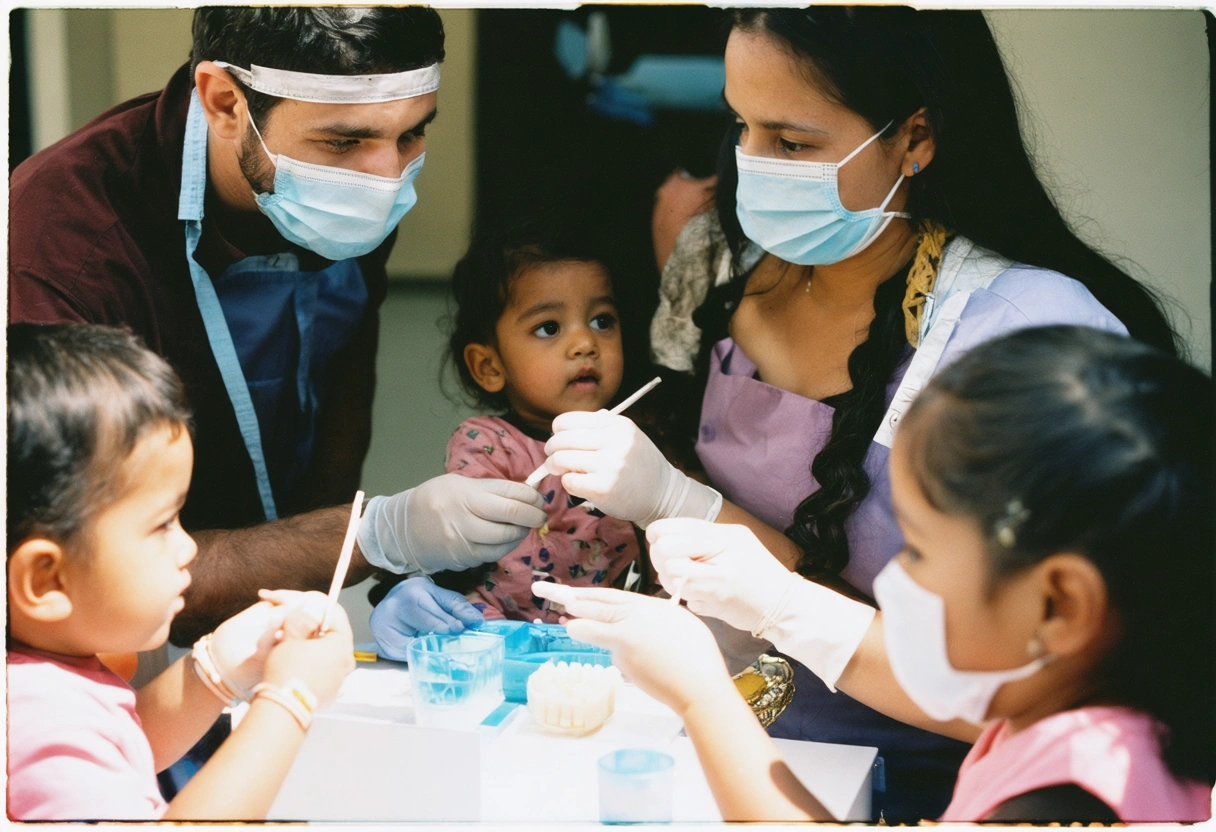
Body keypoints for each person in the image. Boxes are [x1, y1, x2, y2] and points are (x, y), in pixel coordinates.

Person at [537, 7, 1178, 819]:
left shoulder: (1021, 332)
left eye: (793, 142)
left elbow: (1041, 685)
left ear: (915, 137)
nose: (752, 165)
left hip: (923, 784)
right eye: (740, 124)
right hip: (721, 744)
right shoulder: (727, 263)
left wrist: (753, 586)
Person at [8, 7, 546, 646]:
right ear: (225, 101)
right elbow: (79, 573)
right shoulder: (61, 243)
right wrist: (377, 535)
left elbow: (340, 369)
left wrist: (358, 567)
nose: (386, 179)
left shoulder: (350, 188)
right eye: (344, 141)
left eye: (412, 134)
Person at [535, 325, 1214, 823]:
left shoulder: (1070, 804)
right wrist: (777, 601)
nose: (894, 583)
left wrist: (702, 696)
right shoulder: (1082, 726)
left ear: (1060, 606)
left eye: (916, 552)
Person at [6, 323, 357, 820]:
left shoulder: (46, 682)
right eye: (162, 525)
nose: (188, 547)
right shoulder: (37, 726)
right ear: (46, 580)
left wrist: (219, 666)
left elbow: (127, 746)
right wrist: (289, 700)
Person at [369, 214, 648, 656]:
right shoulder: (487, 443)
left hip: (610, 654)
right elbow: (459, 549)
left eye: (601, 320)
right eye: (549, 328)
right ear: (490, 367)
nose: (584, 343)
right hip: (497, 646)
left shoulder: (639, 443)